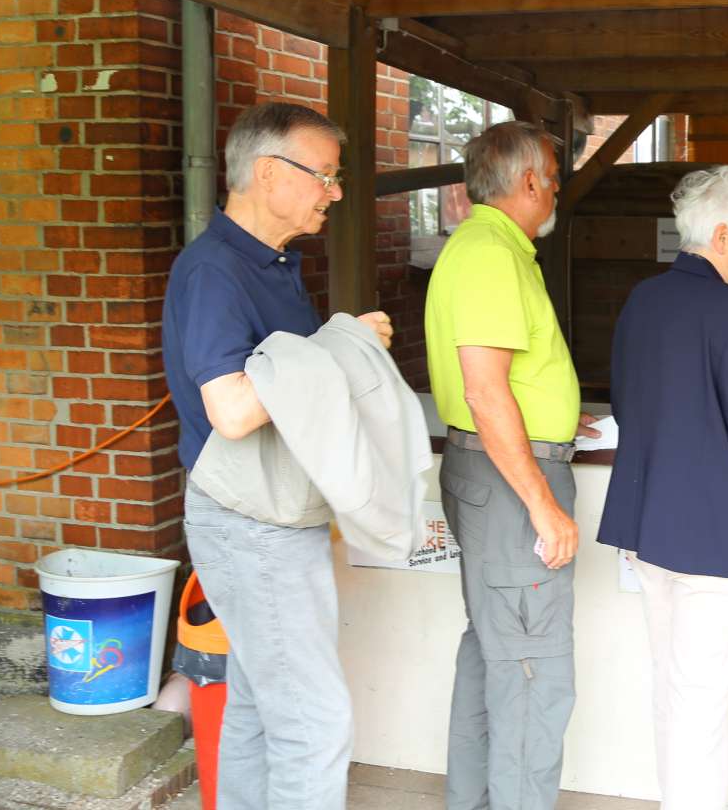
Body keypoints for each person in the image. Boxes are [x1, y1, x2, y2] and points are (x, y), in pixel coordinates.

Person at [163, 102, 394, 810]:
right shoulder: (214, 273)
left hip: (266, 517)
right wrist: (338, 345)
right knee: (314, 723)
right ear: (269, 174)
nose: (337, 190)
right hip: (248, 524)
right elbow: (231, 409)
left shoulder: (273, 264)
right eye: (325, 174)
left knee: (261, 707)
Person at [598, 165, 728, 810]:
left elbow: (631, 404)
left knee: (673, 690)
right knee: (700, 703)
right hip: (719, 534)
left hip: (652, 524)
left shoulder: (641, 300)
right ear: (720, 234)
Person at [424, 120, 599, 810]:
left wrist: (557, 415)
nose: (556, 189)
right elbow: (485, 389)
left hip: (489, 473)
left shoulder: (486, 247)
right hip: (508, 489)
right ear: (528, 181)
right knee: (533, 670)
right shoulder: (491, 254)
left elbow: (502, 382)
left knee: (494, 650)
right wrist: (542, 503)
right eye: (554, 177)